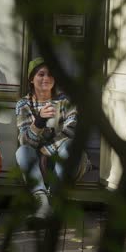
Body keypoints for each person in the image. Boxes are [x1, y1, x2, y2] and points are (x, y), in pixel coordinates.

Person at [15, 57, 90, 220]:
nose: (46, 78)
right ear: (31, 79)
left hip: (65, 162)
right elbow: (25, 141)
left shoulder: (65, 101)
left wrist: (46, 151)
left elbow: (73, 130)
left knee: (69, 145)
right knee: (22, 151)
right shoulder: (24, 105)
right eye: (41, 74)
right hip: (38, 166)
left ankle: (57, 199)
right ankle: (43, 204)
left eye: (50, 74)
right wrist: (39, 121)